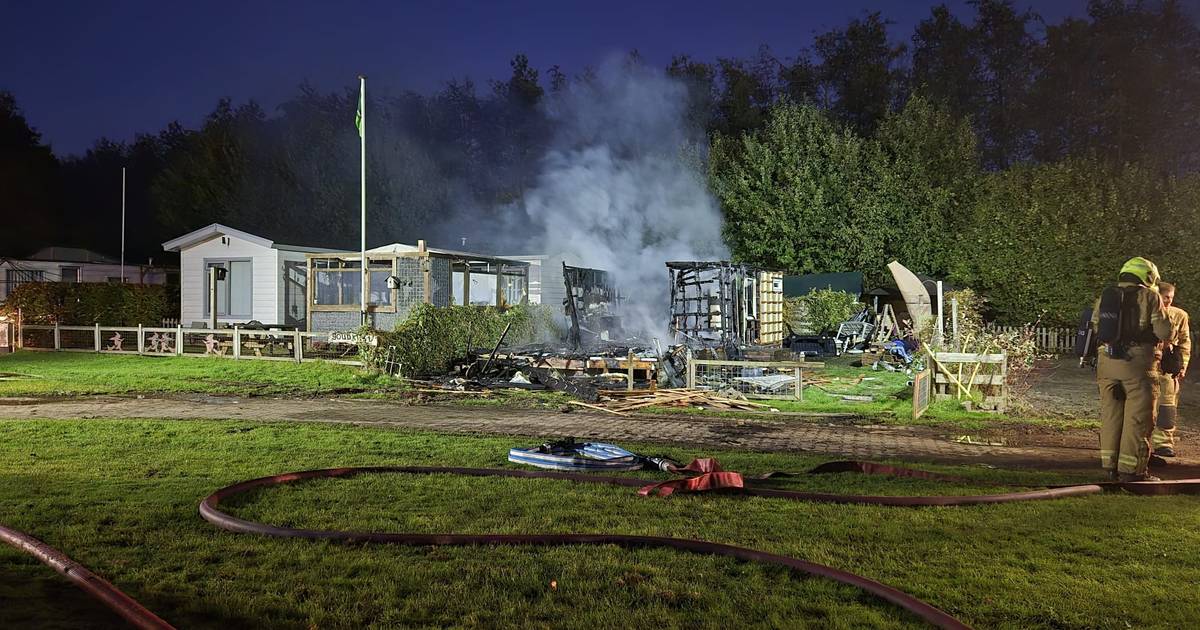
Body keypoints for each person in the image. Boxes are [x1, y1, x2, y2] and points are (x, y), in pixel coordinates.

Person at [1092, 257, 1173, 482]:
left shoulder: (1106, 296)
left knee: (1111, 415)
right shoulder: (1150, 296)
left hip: (1107, 363)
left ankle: (1110, 467)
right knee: (1138, 418)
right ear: (1149, 277)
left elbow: (1096, 326)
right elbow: (1164, 332)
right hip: (1137, 365)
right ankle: (1132, 471)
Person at [1151, 281, 1190, 461]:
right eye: (1166, 297)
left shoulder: (1180, 315)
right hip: (1146, 365)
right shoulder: (1145, 313)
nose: (1169, 301)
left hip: (1167, 368)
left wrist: (1182, 365)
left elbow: (1184, 342)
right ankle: (1138, 441)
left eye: (1171, 297)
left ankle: (1164, 444)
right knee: (1141, 406)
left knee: (1167, 407)